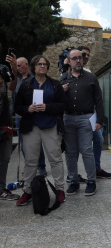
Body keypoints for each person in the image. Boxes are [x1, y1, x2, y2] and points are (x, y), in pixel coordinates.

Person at [14, 55, 66, 206]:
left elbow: (63, 105)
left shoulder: (55, 85)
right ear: (33, 67)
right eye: (39, 64)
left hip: (50, 125)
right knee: (30, 161)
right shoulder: (25, 85)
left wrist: (47, 107)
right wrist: (27, 108)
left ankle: (60, 189)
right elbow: (17, 107)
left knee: (55, 159)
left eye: (44, 64)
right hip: (31, 127)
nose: (42, 66)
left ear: (47, 67)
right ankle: (28, 191)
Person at [61, 48, 104, 196]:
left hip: (86, 118)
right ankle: (73, 181)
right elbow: (55, 100)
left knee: (86, 150)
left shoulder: (91, 77)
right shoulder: (63, 79)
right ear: (69, 61)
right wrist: (61, 91)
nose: (78, 60)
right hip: (67, 119)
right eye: (75, 58)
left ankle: (91, 181)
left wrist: (100, 120)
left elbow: (99, 100)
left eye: (80, 57)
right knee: (70, 152)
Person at [77, 46, 111, 179]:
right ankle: (73, 174)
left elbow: (97, 96)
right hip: (73, 115)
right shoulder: (69, 70)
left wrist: (99, 117)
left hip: (89, 114)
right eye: (83, 54)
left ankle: (96, 169)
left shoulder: (89, 73)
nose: (86, 57)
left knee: (98, 139)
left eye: (87, 55)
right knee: (75, 146)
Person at [12, 57, 47, 176]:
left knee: (37, 142)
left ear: (26, 65)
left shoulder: (35, 78)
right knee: (24, 144)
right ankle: (30, 166)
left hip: (34, 115)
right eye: (16, 66)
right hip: (20, 115)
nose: (17, 68)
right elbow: (14, 98)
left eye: (19, 66)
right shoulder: (16, 80)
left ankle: (41, 166)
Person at [0, 42, 20, 200]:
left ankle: (1, 189)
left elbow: (12, 87)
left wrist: (14, 69)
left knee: (5, 158)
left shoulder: (3, 69)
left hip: (4, 120)